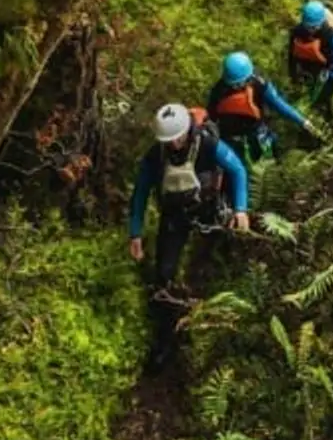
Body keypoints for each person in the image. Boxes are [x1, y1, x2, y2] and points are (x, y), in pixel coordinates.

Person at [127, 103, 249, 371]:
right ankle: (166, 339)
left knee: (216, 262)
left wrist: (240, 209)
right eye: (168, 140)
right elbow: (140, 193)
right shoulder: (155, 156)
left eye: (177, 138)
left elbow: (237, 169)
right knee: (164, 274)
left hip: (208, 209)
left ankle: (221, 319)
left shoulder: (208, 144)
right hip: (174, 217)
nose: (174, 144)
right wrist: (135, 233)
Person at [208, 50, 321, 163]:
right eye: (233, 84)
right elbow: (211, 118)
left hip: (257, 132)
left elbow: (279, 104)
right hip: (231, 138)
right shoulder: (218, 92)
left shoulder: (259, 84)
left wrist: (302, 121)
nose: (236, 87)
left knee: (268, 156)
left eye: (240, 83)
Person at [287, 0, 333, 119]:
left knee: (321, 99)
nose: (310, 30)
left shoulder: (331, 35)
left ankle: (327, 119)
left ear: (321, 23)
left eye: (314, 27)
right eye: (308, 26)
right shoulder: (297, 32)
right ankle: (327, 117)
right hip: (311, 70)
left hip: (331, 71)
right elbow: (292, 55)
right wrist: (293, 76)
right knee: (315, 97)